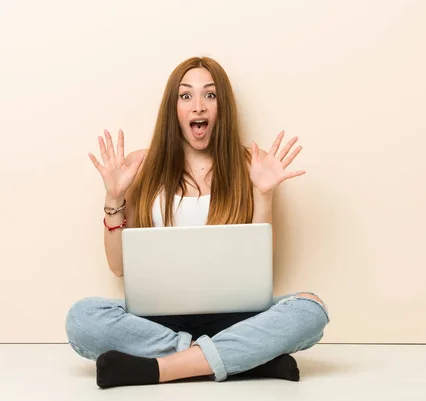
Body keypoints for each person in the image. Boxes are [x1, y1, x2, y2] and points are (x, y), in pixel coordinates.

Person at [65, 56, 330, 389]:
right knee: (82, 318)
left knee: (311, 310)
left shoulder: (249, 163)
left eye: (210, 95)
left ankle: (160, 369)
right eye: (186, 95)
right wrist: (114, 197)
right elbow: (118, 267)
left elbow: (258, 268)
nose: (198, 107)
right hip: (158, 320)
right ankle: (239, 360)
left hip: (234, 317)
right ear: (173, 108)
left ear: (223, 107)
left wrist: (264, 195)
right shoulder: (142, 164)